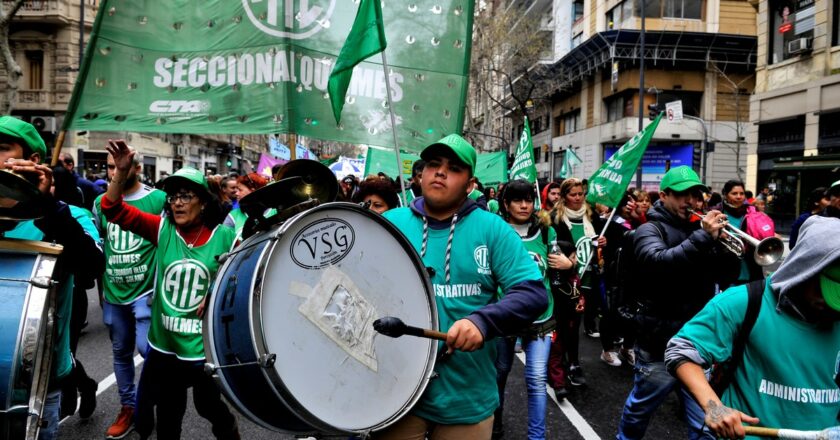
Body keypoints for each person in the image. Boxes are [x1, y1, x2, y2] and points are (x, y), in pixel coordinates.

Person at [376, 134, 547, 439]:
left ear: (470, 185)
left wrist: (482, 321)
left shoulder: (493, 228)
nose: (440, 172)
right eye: (433, 164)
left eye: (453, 168)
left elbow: (532, 293)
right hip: (396, 393)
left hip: (466, 398)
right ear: (421, 174)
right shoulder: (390, 223)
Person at [100, 140, 239, 440]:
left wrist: (217, 289)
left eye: (186, 196)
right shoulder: (161, 229)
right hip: (165, 346)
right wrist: (120, 174)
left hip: (202, 349)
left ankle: (229, 431)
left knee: (208, 407)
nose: (177, 203)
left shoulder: (226, 238)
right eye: (173, 196)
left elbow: (245, 278)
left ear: (203, 202)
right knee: (166, 419)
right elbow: (110, 208)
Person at [666, 215, 840, 439]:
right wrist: (715, 407)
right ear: (806, 267)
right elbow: (681, 351)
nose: (832, 304)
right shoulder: (744, 301)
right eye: (828, 291)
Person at [616, 166, 740, 440]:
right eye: (683, 195)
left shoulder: (703, 231)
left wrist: (721, 245)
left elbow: (728, 275)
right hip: (659, 341)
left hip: (698, 342)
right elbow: (658, 263)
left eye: (696, 196)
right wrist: (703, 238)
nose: (692, 202)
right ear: (664, 195)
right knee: (640, 410)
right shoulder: (650, 229)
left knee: (706, 423)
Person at [0, 116, 105, 440]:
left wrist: (48, 209)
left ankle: (79, 381)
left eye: (2, 149)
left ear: (32, 160)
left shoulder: (71, 217)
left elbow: (92, 267)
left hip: (37, 387)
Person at [92, 147, 166, 439]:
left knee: (147, 350)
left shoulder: (157, 200)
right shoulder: (101, 202)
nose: (114, 172)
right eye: (110, 167)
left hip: (146, 291)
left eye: (120, 166)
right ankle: (129, 407)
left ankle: (147, 403)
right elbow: (102, 241)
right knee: (120, 352)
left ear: (137, 168)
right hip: (114, 292)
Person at [493, 179, 564, 440]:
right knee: (499, 376)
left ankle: (537, 437)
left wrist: (569, 264)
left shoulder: (546, 232)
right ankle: (495, 423)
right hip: (504, 318)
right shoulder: (497, 232)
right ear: (506, 203)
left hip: (540, 320)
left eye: (529, 200)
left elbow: (560, 267)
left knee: (536, 381)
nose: (524, 205)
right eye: (517, 200)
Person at [51, 165, 100, 421]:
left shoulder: (76, 214)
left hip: (70, 295)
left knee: (62, 353)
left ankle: (78, 389)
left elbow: (93, 262)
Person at [549, 178, 608, 354]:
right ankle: (566, 362)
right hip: (567, 279)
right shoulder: (555, 218)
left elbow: (600, 239)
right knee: (567, 323)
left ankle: (572, 361)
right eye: (572, 194)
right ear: (564, 196)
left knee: (577, 320)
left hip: (589, 276)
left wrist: (603, 242)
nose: (577, 198)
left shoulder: (592, 216)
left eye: (580, 194)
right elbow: (552, 247)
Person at [715, 180, 768, 286]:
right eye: (734, 193)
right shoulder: (717, 213)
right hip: (727, 272)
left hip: (752, 270)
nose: (739, 197)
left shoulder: (753, 212)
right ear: (725, 195)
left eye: (741, 193)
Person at [223, 172, 268, 237]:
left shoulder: (273, 211)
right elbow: (227, 240)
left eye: (240, 190)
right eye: (236, 190)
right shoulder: (233, 216)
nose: (236, 193)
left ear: (253, 191)